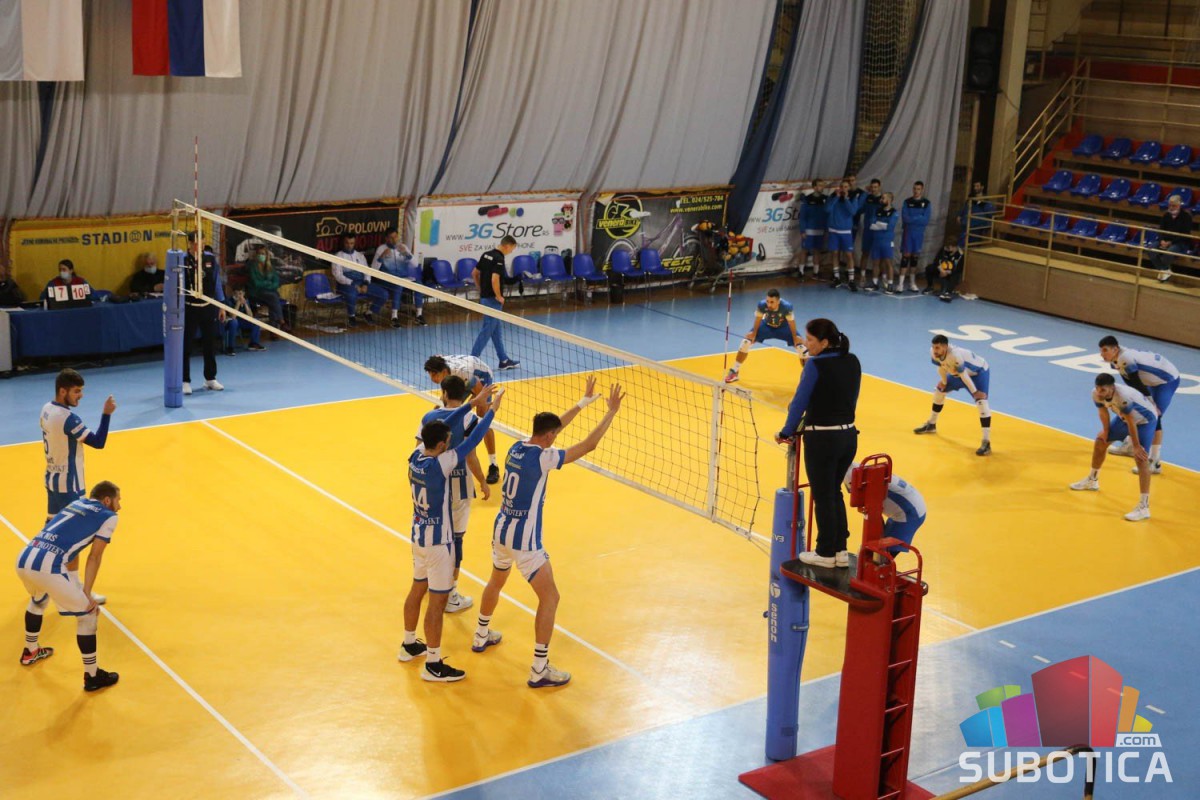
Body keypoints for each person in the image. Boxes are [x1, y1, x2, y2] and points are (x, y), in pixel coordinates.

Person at [473, 380, 623, 688]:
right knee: (550, 597)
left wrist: (581, 404)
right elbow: (588, 445)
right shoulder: (544, 458)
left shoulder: (517, 447)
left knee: (496, 581)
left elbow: (554, 430)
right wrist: (610, 412)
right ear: (550, 437)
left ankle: (480, 634)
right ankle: (539, 668)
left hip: (501, 531)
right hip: (525, 543)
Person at [401, 387, 502, 682]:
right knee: (437, 602)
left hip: (418, 537)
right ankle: (433, 663)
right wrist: (491, 410)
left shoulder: (415, 457)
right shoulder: (442, 464)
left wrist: (471, 404)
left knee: (416, 590)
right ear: (443, 444)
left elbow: (444, 425)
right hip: (439, 544)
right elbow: (473, 439)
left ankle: (409, 643)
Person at [15, 481, 122, 692]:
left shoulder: (76, 504)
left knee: (39, 601)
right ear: (107, 500)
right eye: (118, 500)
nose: (120, 506)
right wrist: (86, 593)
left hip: (25, 557)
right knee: (88, 614)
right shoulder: (108, 516)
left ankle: (30, 651)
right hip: (48, 567)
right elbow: (94, 556)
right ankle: (92, 676)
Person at [775, 319, 861, 568]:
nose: (806, 343)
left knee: (823, 495)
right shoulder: (852, 360)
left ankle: (824, 552)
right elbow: (850, 398)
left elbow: (799, 402)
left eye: (810, 340)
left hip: (822, 440)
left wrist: (787, 431)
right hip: (848, 436)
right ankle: (840, 551)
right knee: (833, 492)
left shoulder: (815, 365)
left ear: (824, 342)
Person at [417, 375, 494, 615]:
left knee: (432, 536)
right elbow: (470, 455)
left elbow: (419, 449)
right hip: (458, 487)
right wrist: (483, 481)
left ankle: (431, 584)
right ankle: (450, 595)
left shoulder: (429, 418)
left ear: (444, 393)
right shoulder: (470, 419)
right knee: (456, 541)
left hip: (433, 488)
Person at [41, 368, 116, 605]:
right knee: (71, 540)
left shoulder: (46, 409)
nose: (80, 396)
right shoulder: (68, 418)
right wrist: (106, 414)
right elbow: (98, 442)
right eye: (76, 391)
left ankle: (41, 584)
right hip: (70, 486)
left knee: (49, 532)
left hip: (52, 479)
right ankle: (75, 591)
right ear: (63, 391)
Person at [1070, 373, 1156, 522]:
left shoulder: (1122, 396)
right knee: (1100, 442)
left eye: (1103, 390)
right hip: (1124, 419)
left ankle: (1144, 507)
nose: (1099, 393)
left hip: (1145, 420)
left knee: (1141, 458)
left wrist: (1135, 446)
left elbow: (1131, 421)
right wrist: (1106, 432)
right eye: (1098, 389)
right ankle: (1092, 480)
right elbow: (1103, 411)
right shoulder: (1096, 394)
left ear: (1112, 388)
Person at [1098, 335, 1180, 474]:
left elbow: (1136, 382)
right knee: (1136, 410)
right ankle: (1130, 447)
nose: (1102, 354)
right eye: (1101, 350)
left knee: (1154, 417)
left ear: (1115, 349)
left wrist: (1151, 404)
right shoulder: (1115, 359)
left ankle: (1155, 463)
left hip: (1166, 380)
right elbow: (1130, 381)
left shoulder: (1125, 358)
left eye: (1105, 350)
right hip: (1150, 381)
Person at [424, 354, 501, 484]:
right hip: (460, 379)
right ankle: (440, 453)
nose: (433, 379)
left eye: (434, 375)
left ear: (443, 371)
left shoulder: (462, 372)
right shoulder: (441, 367)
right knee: (441, 411)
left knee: (483, 421)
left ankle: (493, 465)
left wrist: (471, 408)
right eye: (430, 375)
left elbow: (479, 394)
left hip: (481, 377)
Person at [913, 334, 992, 455]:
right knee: (939, 391)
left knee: (981, 402)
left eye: (937, 348)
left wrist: (975, 392)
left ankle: (986, 442)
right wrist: (944, 382)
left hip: (978, 373)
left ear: (945, 347)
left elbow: (964, 375)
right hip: (959, 374)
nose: (934, 350)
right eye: (933, 347)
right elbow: (941, 368)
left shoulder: (955, 355)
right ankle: (931, 424)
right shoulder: (934, 353)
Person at [724, 288, 806, 383]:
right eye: (767, 301)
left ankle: (808, 376)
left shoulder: (786, 307)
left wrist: (795, 338)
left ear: (778, 301)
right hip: (767, 326)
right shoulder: (762, 305)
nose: (769, 304)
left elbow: (791, 322)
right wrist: (754, 334)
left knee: (802, 348)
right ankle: (734, 371)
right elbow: (758, 319)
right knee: (746, 342)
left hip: (783, 328)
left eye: (772, 302)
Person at [843, 463, 926, 555]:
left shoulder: (850, 475)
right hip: (914, 503)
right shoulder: (855, 467)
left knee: (880, 556)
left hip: (909, 514)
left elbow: (858, 502)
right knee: (876, 552)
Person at [182, 233, 225, 394]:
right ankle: (185, 380)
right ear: (189, 243)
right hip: (190, 307)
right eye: (194, 242)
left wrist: (221, 305)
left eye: (199, 242)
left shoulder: (210, 259)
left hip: (208, 306)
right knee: (186, 345)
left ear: (203, 242)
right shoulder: (182, 259)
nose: (196, 245)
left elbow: (216, 282)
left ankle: (210, 378)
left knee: (210, 344)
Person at [471, 235, 520, 370]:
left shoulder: (486, 254)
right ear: (507, 246)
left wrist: (480, 289)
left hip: (485, 297)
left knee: (496, 330)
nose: (511, 251)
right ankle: (472, 359)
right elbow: (494, 279)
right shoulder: (499, 258)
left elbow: (474, 273)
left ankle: (503, 360)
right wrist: (499, 296)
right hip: (492, 300)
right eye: (512, 248)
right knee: (487, 330)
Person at [371, 227, 426, 327]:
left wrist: (407, 254)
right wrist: (382, 257)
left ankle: (419, 315)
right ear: (386, 239)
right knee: (398, 285)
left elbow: (415, 264)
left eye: (395, 237)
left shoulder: (403, 247)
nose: (394, 240)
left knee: (419, 284)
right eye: (391, 238)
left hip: (404, 278)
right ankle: (394, 317)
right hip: (388, 280)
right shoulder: (381, 249)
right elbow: (373, 269)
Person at [331, 233, 379, 327]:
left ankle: (368, 313)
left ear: (354, 243)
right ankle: (351, 317)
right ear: (343, 243)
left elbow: (367, 271)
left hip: (361, 282)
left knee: (383, 294)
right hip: (345, 284)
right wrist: (353, 284)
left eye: (352, 243)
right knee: (352, 294)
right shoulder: (338, 256)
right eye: (347, 243)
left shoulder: (360, 256)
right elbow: (338, 275)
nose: (349, 245)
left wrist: (366, 283)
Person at [826, 180, 863, 290]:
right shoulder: (833, 197)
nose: (843, 188)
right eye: (842, 186)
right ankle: (836, 278)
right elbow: (827, 209)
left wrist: (846, 199)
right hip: (833, 230)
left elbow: (853, 211)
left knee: (848, 255)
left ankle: (851, 280)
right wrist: (836, 197)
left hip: (845, 231)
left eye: (846, 186)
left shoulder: (853, 198)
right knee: (835, 254)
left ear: (849, 188)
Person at [1150, 194, 1193, 283]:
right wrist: (1162, 240)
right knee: (1151, 249)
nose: (1171, 207)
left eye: (1174, 206)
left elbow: (1185, 234)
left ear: (1179, 205)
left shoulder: (1186, 217)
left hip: (1180, 242)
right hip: (1165, 240)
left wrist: (1170, 242)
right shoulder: (1166, 215)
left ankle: (1163, 271)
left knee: (1168, 253)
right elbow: (1161, 230)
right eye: (1170, 205)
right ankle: (1165, 270)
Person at [899, 181, 932, 293]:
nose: (916, 191)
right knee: (906, 256)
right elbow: (905, 218)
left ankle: (912, 283)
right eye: (914, 189)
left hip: (919, 234)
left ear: (922, 190)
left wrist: (913, 218)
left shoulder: (926, 203)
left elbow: (925, 220)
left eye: (918, 189)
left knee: (915, 257)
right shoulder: (907, 202)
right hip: (908, 232)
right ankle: (900, 284)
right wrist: (918, 217)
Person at [245, 245, 285, 331]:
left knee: (273, 300)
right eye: (259, 254)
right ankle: (281, 322)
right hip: (256, 293)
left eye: (263, 254)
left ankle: (274, 331)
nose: (261, 256)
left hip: (269, 294)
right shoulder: (252, 267)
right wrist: (269, 283)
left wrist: (267, 284)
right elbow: (256, 283)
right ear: (256, 255)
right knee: (274, 297)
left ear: (267, 255)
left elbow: (276, 282)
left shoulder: (270, 267)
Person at [797, 180, 829, 279]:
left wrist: (826, 230)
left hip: (820, 230)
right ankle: (801, 272)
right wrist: (802, 230)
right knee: (804, 250)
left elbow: (827, 216)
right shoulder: (807, 199)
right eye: (819, 185)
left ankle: (816, 272)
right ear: (814, 187)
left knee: (817, 251)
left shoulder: (826, 199)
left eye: (823, 185)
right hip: (808, 230)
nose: (822, 187)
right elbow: (802, 216)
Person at [869, 193, 899, 293]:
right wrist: (882, 225)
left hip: (887, 241)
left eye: (883, 198)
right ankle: (874, 283)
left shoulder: (894, 212)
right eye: (881, 198)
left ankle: (890, 285)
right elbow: (871, 223)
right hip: (876, 240)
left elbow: (890, 226)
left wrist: (878, 225)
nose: (881, 200)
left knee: (888, 262)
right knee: (875, 263)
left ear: (889, 199)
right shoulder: (877, 210)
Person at [223, 289, 265, 354]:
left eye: (241, 293)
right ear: (234, 293)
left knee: (256, 321)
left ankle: (253, 343)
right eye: (238, 293)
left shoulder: (246, 300)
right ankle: (230, 347)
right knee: (234, 322)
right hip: (229, 322)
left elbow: (250, 316)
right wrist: (238, 303)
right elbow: (233, 316)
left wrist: (245, 304)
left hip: (241, 321)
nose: (240, 296)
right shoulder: (229, 301)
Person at [958, 181, 997, 247]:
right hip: (966, 223)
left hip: (977, 224)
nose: (975, 188)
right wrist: (959, 215)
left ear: (982, 187)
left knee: (972, 239)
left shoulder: (986, 201)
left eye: (977, 186)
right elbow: (965, 208)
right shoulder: (971, 199)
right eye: (974, 186)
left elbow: (991, 213)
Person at [859, 179, 884, 268]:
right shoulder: (867, 197)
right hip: (868, 229)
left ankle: (879, 274)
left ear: (879, 187)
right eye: (872, 187)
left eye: (875, 187)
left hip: (879, 230)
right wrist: (865, 193)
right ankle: (862, 273)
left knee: (879, 254)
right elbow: (859, 209)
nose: (873, 189)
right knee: (865, 252)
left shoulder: (883, 199)